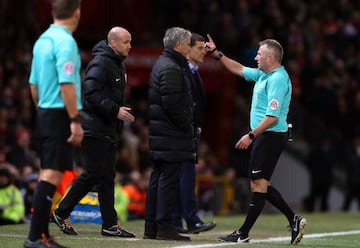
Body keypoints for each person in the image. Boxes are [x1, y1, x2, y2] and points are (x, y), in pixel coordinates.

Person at [205, 35, 306, 244]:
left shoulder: (278, 79)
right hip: (266, 136)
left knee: (258, 184)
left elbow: (272, 117)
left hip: (269, 136)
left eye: (259, 54)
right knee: (260, 184)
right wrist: (217, 54)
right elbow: (238, 69)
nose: (256, 57)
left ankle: (243, 233)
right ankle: (292, 219)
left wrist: (251, 135)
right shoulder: (263, 74)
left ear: (270, 57)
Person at [50, 26, 136, 238]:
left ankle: (109, 224)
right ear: (113, 43)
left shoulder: (116, 63)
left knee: (106, 177)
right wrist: (115, 110)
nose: (130, 46)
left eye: (130, 41)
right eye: (126, 42)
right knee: (94, 173)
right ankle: (61, 212)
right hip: (95, 127)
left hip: (106, 128)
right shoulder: (101, 62)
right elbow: (90, 92)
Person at [24, 0, 83, 247]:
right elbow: (67, 84)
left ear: (53, 11)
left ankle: (41, 235)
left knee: (48, 172)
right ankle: (36, 237)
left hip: (45, 111)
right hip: (60, 112)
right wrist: (74, 120)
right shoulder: (66, 42)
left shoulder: (42, 40)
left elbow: (33, 85)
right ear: (77, 12)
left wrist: (42, 111)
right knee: (51, 174)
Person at [144, 27, 194, 241]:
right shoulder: (171, 67)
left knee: (158, 179)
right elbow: (172, 103)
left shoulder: (165, 64)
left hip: (163, 133)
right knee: (167, 181)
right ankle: (164, 227)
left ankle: (152, 227)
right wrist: (187, 126)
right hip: (170, 134)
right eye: (189, 43)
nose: (190, 47)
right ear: (178, 45)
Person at [172, 32, 216, 234]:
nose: (204, 52)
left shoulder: (192, 70)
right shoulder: (181, 70)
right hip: (182, 132)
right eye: (200, 48)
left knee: (187, 177)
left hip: (189, 130)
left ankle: (188, 219)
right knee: (182, 176)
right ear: (187, 49)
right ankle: (186, 219)